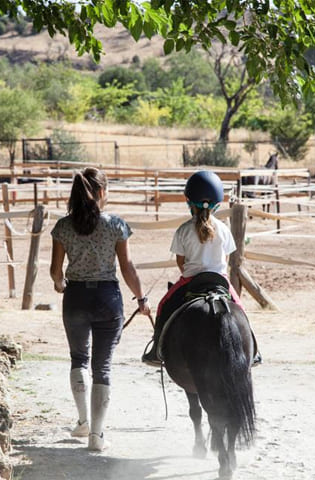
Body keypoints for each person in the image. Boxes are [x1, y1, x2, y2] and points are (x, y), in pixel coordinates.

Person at [50, 167, 150, 452]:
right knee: (102, 366)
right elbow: (127, 268)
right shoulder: (116, 225)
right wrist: (141, 298)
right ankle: (97, 435)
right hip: (108, 298)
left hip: (76, 298)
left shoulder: (63, 227)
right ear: (102, 192)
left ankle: (82, 421)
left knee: (78, 358)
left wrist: (60, 286)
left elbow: (56, 272)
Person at [141, 170, 260, 366]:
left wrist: (190, 272)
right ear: (217, 203)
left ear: (189, 201)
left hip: (191, 280)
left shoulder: (183, 230)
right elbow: (227, 257)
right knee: (240, 309)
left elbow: (181, 261)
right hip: (219, 279)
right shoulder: (223, 229)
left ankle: (156, 350)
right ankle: (253, 351)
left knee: (163, 306)